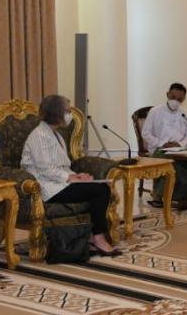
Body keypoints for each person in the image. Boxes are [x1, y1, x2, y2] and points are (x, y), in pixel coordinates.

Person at [21, 95, 121, 257]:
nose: (69, 115)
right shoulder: (40, 136)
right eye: (67, 111)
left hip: (60, 183)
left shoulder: (55, 134)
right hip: (46, 188)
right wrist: (69, 178)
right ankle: (99, 238)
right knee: (100, 190)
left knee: (101, 188)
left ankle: (91, 237)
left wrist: (77, 175)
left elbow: (62, 166)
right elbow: (46, 169)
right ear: (56, 113)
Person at [142, 82, 187, 208]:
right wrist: (162, 144)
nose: (176, 101)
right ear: (167, 94)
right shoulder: (155, 111)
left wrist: (180, 143)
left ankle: (185, 196)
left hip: (179, 149)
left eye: (179, 99)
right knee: (168, 161)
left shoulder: (185, 113)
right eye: (173, 97)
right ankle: (158, 196)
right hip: (159, 149)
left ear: (183, 99)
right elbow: (145, 133)